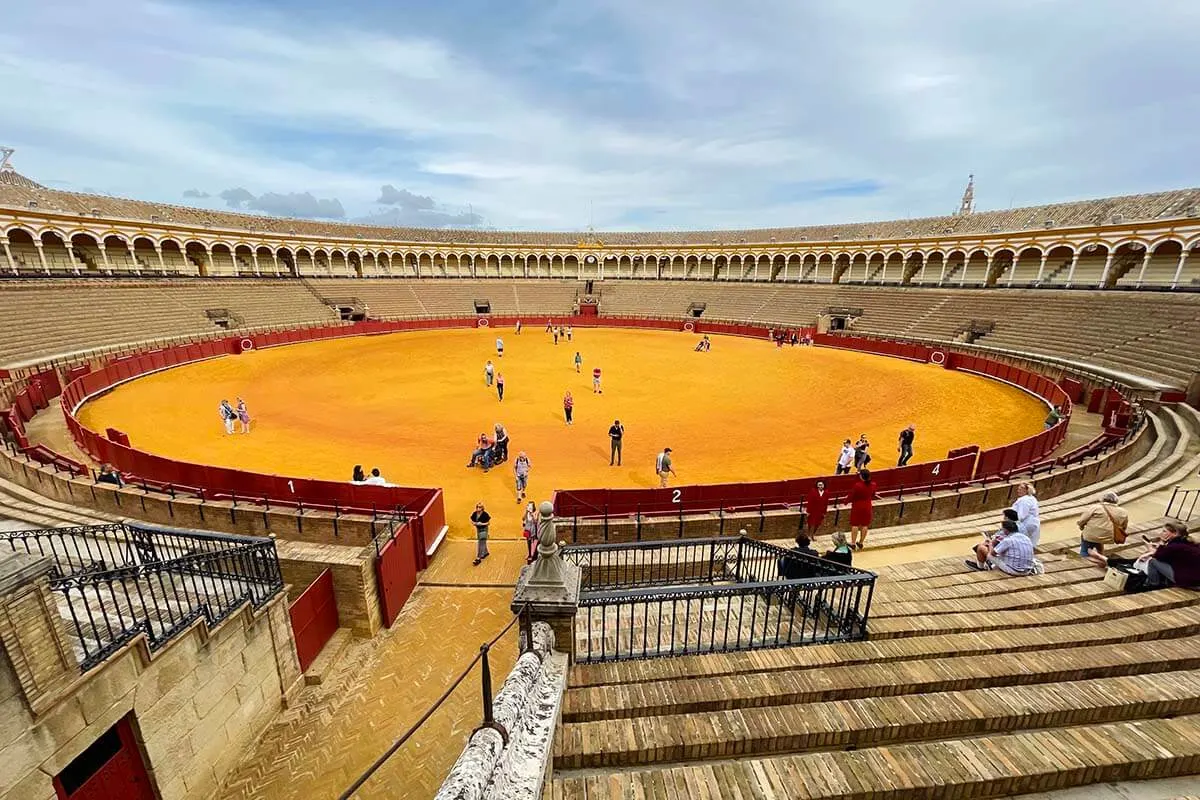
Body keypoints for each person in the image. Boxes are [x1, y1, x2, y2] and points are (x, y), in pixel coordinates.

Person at [1087, 521, 1199, 589]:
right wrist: (1156, 548)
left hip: (1187, 580)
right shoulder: (1186, 543)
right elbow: (1169, 555)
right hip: (1191, 576)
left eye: (1164, 531)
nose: (1161, 533)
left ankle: (1152, 583)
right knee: (1143, 559)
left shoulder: (1175, 546)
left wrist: (1154, 547)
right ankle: (1105, 561)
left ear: (1174, 533)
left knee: (1150, 561)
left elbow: (1157, 557)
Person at [965, 519, 1036, 575]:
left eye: (1002, 529)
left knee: (981, 548)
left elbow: (992, 553)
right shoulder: (1026, 538)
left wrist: (991, 544)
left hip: (1015, 570)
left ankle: (980, 567)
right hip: (1027, 570)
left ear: (1005, 530)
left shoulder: (1008, 540)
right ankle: (990, 565)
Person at [1077, 491, 1128, 556]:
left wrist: (1081, 527)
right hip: (1109, 538)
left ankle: (1086, 557)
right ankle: (1101, 555)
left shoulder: (1096, 508)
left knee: (1085, 550)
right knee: (1100, 539)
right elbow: (1124, 527)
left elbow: (1082, 520)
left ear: (1103, 499)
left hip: (1092, 536)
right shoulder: (1123, 511)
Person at [847, 469, 876, 550]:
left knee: (855, 524)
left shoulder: (858, 485)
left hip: (857, 506)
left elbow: (851, 495)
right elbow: (873, 494)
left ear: (861, 476)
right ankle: (861, 542)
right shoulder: (873, 484)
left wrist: (845, 502)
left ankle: (853, 543)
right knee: (865, 524)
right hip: (867, 506)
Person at [1011, 483, 1041, 547]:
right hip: (1033, 523)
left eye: (1020, 489)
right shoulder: (1032, 498)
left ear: (1025, 490)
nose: (1018, 491)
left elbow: (1021, 516)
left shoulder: (1024, 500)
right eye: (1018, 489)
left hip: (1026, 524)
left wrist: (1010, 522)